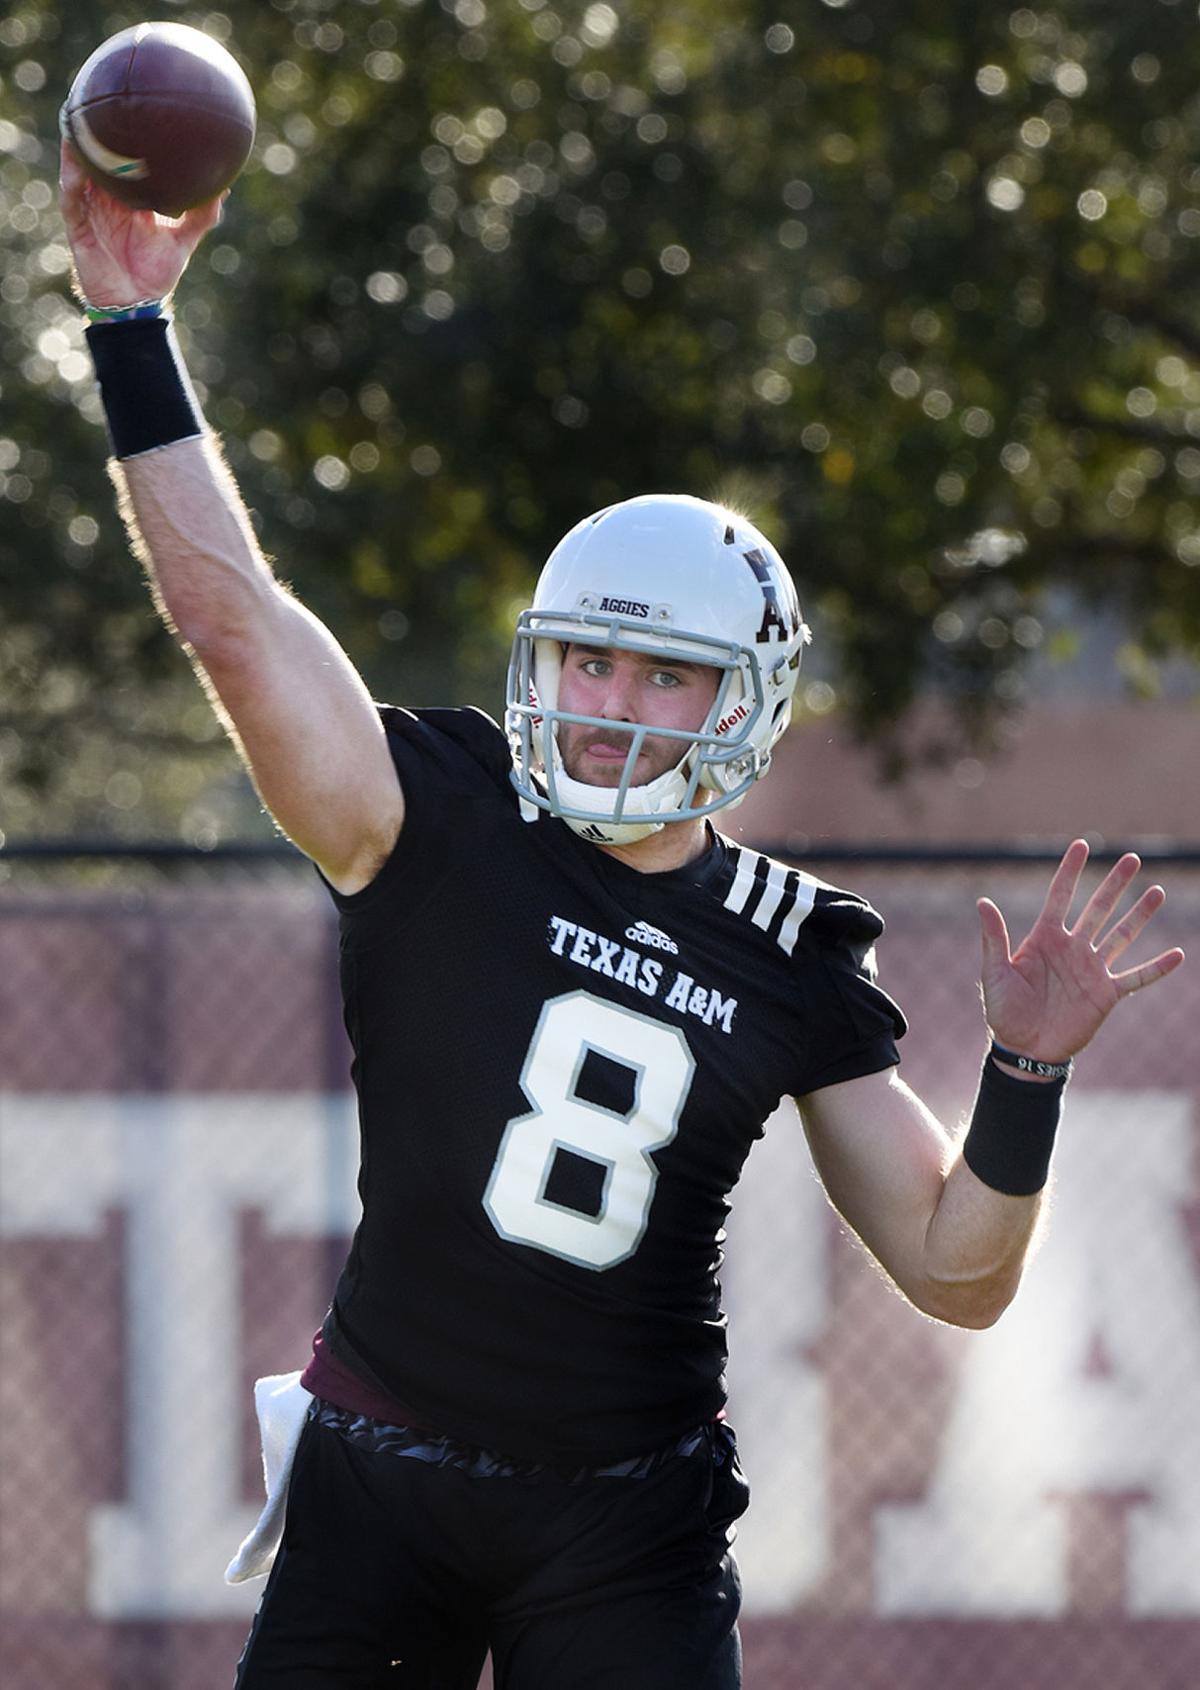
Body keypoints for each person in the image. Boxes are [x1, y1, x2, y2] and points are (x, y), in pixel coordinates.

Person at [60, 143, 1184, 1690]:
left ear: (750, 702)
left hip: (626, 1524)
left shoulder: (791, 943)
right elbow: (231, 616)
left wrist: (1028, 1075)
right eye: (593, 660)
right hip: (381, 1475)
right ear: (544, 659)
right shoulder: (434, 812)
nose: (615, 707)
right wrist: (129, 328)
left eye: (668, 676)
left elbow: (955, 1267)